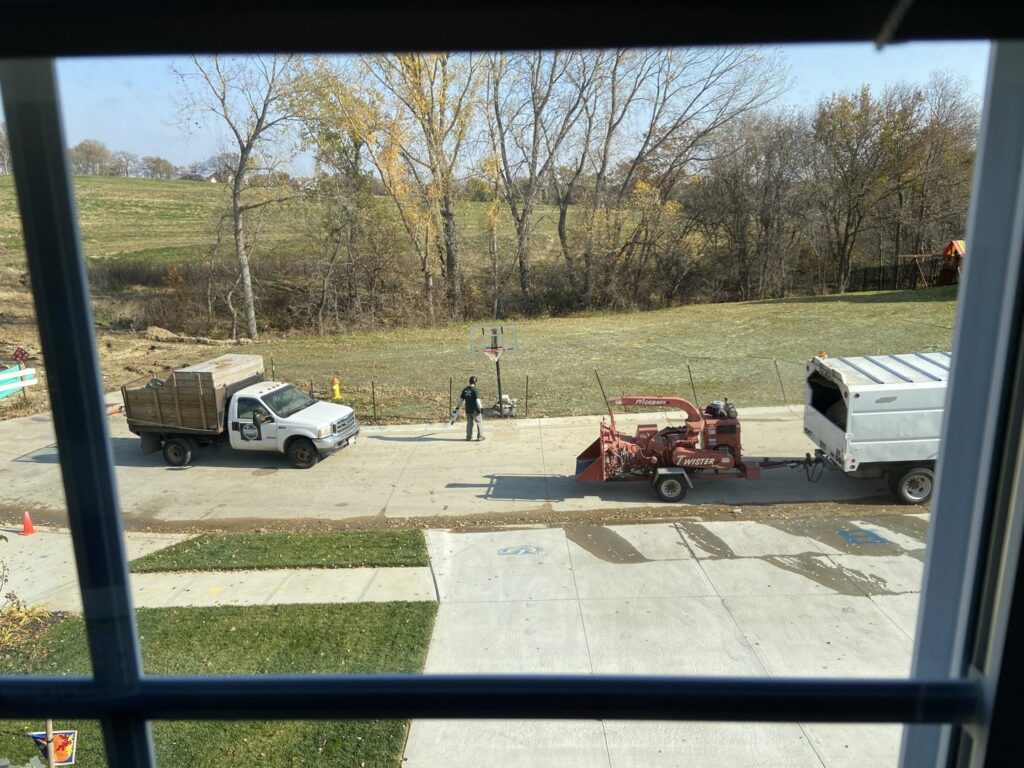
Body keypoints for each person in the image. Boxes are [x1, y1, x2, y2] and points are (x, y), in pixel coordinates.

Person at [460, 375, 485, 441]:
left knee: (469, 423)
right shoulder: (475, 390)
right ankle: (480, 436)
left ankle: (469, 436)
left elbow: (461, 400)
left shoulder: (465, 390)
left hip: (468, 410)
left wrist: (457, 407)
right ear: (476, 382)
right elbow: (477, 401)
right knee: (479, 422)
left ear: (469, 382)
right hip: (475, 410)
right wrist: (481, 408)